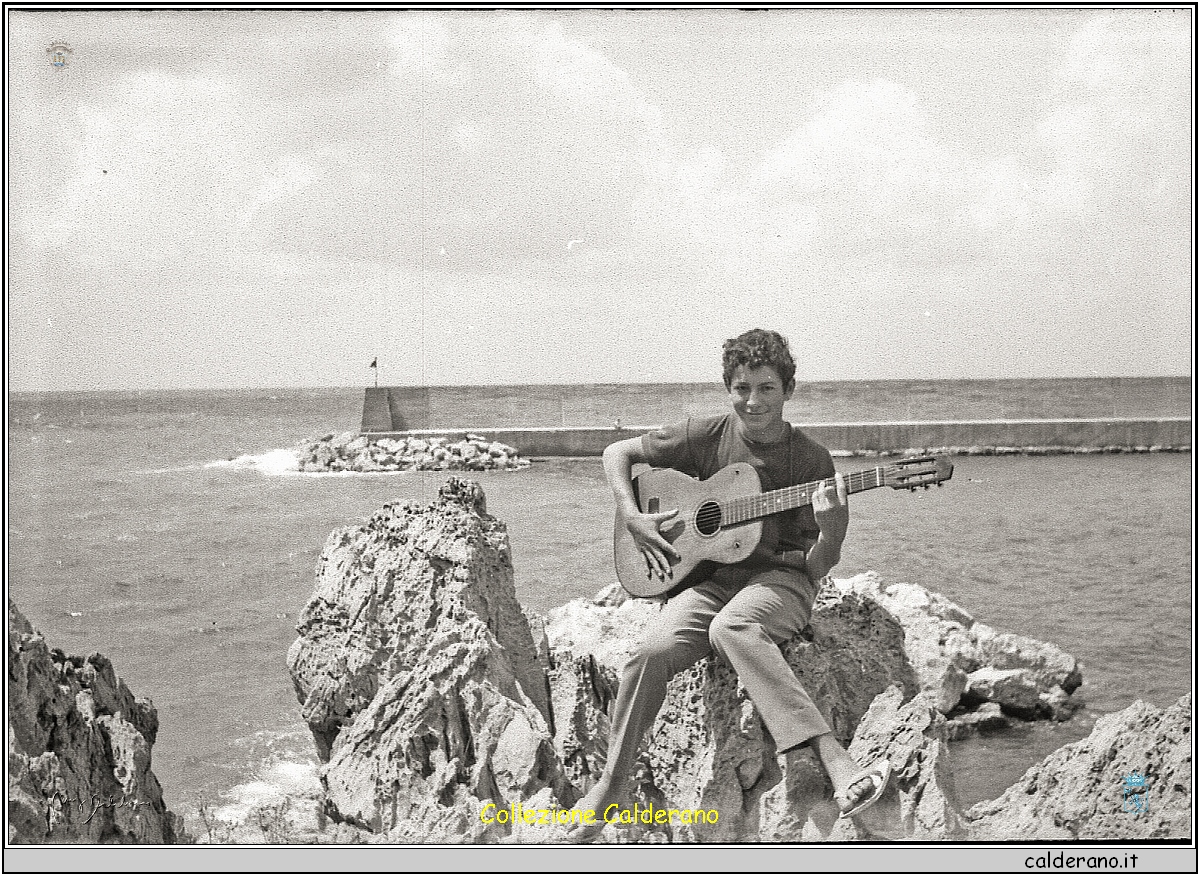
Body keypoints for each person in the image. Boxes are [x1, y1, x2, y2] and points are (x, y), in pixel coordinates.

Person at [569, 328, 889, 839]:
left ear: (788, 391)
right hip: (710, 578)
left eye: (766, 388)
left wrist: (834, 529)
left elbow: (816, 566)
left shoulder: (812, 461)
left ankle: (833, 757)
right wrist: (633, 517)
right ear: (729, 388)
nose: (753, 401)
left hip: (783, 580)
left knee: (732, 629)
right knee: (650, 650)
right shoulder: (708, 435)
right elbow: (617, 454)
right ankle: (610, 785)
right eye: (741, 388)